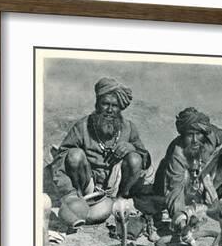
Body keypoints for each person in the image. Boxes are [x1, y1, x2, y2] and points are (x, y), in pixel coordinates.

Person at [48, 77, 152, 222]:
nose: (109, 110)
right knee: (74, 155)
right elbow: (62, 157)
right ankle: (79, 201)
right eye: (105, 104)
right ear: (98, 104)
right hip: (87, 183)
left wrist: (131, 147)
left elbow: (145, 159)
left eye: (114, 106)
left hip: (115, 185)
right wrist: (68, 192)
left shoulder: (128, 127)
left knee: (135, 158)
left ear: (120, 108)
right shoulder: (83, 126)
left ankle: (121, 199)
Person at [153, 107, 222, 232]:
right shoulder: (178, 153)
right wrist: (181, 219)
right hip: (169, 182)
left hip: (198, 178)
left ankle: (206, 194)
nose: (195, 140)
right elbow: (174, 189)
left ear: (204, 133)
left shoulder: (212, 136)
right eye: (190, 135)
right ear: (183, 134)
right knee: (184, 178)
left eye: (198, 134)